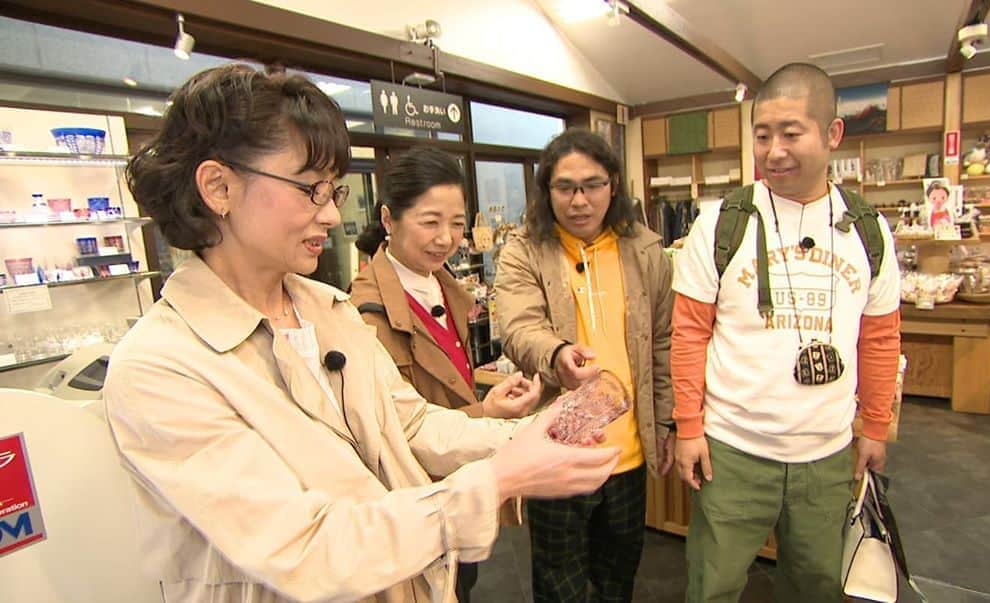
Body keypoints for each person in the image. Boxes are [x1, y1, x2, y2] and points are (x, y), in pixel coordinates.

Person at [103, 63, 620, 603]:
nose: (331, 214)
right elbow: (308, 547)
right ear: (218, 186)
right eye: (309, 189)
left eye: (334, 190)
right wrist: (498, 480)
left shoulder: (328, 311)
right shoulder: (161, 366)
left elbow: (411, 425)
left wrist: (531, 435)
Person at [670, 62, 901, 603]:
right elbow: (688, 333)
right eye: (762, 134)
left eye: (791, 133)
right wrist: (687, 426)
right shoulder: (720, 223)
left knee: (817, 587)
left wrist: (876, 425)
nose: (774, 150)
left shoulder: (867, 230)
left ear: (832, 135)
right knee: (713, 585)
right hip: (731, 452)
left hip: (826, 455)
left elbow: (881, 337)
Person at [349, 146, 540, 602]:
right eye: (430, 222)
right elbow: (394, 428)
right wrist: (484, 412)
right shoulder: (364, 314)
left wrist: (486, 407)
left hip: (462, 478)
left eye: (457, 223)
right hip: (419, 500)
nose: (447, 238)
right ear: (389, 219)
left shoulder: (440, 280)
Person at [495, 128, 675, 602]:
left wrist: (667, 421)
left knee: (618, 580)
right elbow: (518, 326)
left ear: (613, 184)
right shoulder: (523, 251)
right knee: (558, 584)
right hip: (556, 450)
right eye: (565, 187)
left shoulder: (645, 251)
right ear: (546, 191)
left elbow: (663, 342)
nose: (579, 200)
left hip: (627, 454)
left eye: (592, 185)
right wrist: (555, 355)